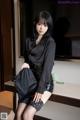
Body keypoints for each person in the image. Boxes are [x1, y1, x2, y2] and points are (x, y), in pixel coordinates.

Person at [16, 10, 56, 120]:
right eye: (39, 24)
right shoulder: (28, 40)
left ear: (48, 26)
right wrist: (26, 63)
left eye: (45, 25)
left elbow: (48, 68)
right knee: (18, 115)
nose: (42, 28)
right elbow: (27, 59)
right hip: (30, 82)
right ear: (35, 24)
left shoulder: (50, 42)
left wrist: (40, 89)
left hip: (44, 83)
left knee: (26, 115)